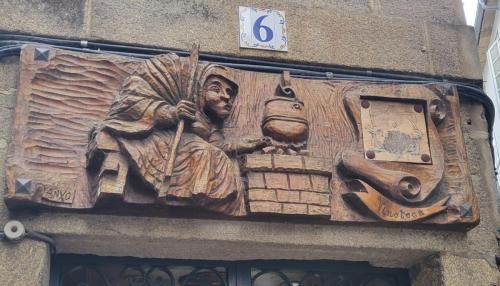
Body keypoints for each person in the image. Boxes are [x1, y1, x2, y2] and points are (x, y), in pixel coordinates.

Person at [87, 52, 269, 216]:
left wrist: (247, 145)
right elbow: (132, 104)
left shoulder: (209, 121)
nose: (226, 97)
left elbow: (220, 146)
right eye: (216, 88)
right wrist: (171, 113)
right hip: (154, 140)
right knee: (203, 151)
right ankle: (187, 194)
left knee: (216, 155)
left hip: (190, 151)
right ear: (200, 88)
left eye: (230, 93)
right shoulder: (183, 103)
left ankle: (204, 197)